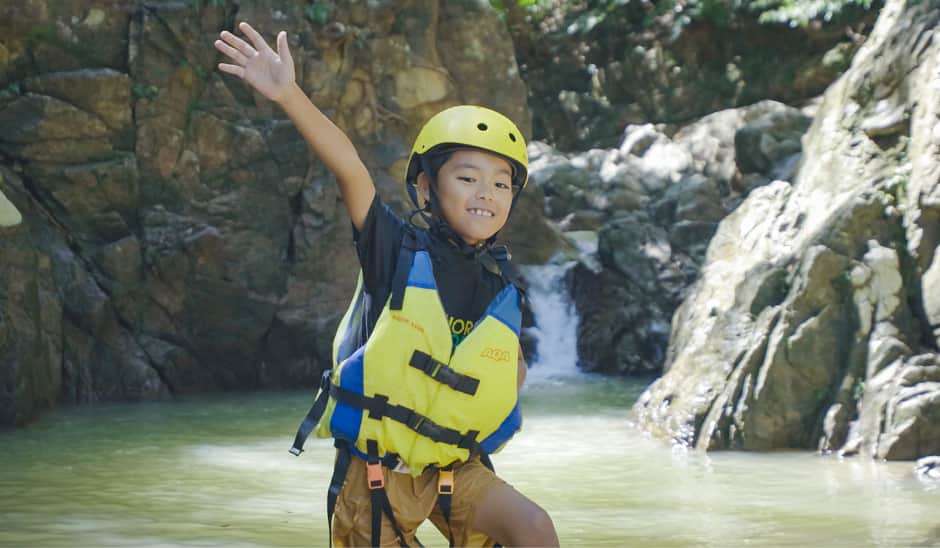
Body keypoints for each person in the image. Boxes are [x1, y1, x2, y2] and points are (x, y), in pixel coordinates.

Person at [215, 22, 559, 548]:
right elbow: (351, 170)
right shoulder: (393, 249)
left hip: (451, 468)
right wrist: (288, 92)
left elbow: (506, 371)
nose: (485, 193)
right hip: (375, 477)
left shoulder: (502, 282)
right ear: (426, 185)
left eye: (500, 183)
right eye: (467, 178)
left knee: (533, 528)